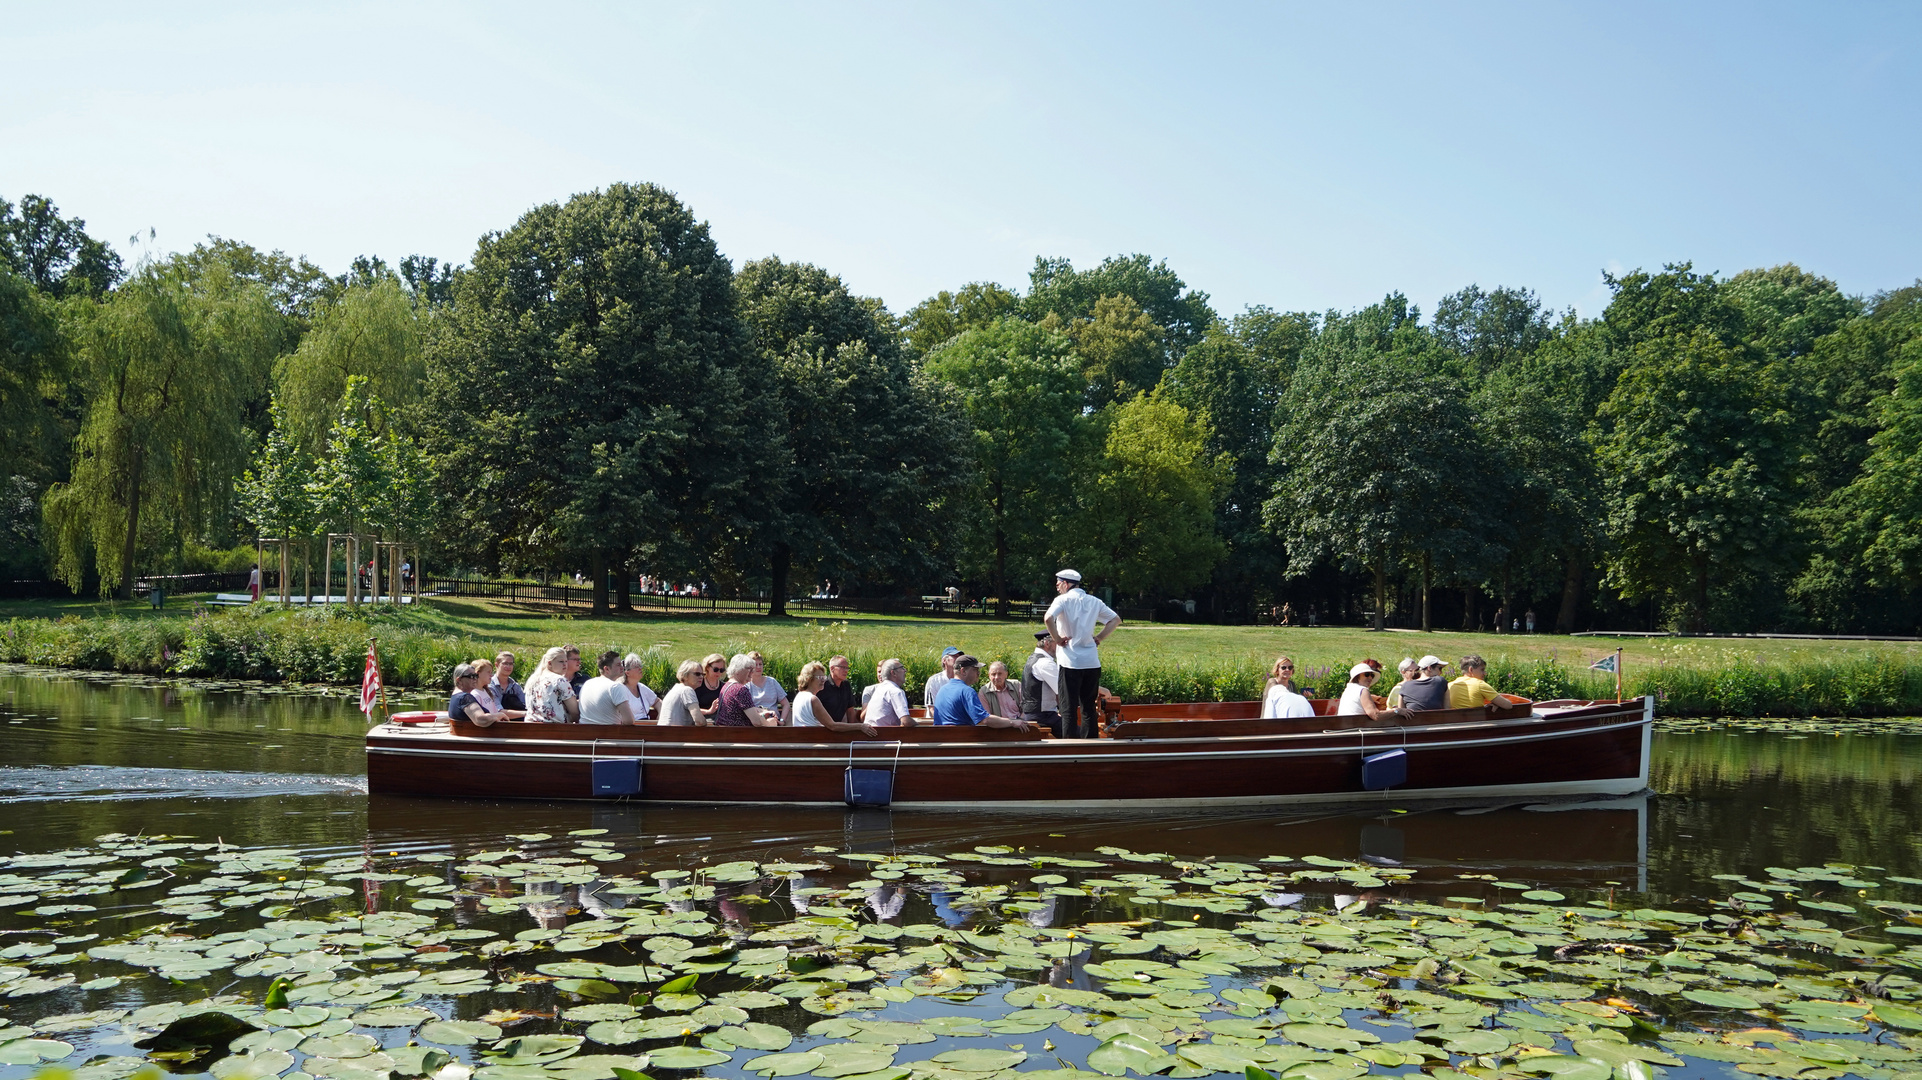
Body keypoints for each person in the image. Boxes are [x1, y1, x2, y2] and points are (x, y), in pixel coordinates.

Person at [1045, 569, 1120, 739]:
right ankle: (1090, 745)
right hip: (1091, 662)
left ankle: (1069, 747)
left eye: (1058, 583)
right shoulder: (1094, 601)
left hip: (1070, 661)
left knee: (1068, 707)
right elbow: (1115, 620)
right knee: (1088, 707)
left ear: (1066, 583)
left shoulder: (1062, 600)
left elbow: (1048, 618)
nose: (1057, 587)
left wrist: (1057, 639)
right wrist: (1099, 637)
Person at [930, 655, 1031, 730]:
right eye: (975, 670)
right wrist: (1012, 722)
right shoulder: (967, 691)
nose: (978, 673)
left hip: (944, 740)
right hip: (961, 742)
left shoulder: (943, 689)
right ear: (963, 671)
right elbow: (985, 720)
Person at [792, 662, 879, 734]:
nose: (823, 680)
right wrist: (860, 726)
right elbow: (833, 726)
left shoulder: (799, 696)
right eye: (819, 677)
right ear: (808, 679)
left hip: (803, 740)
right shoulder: (812, 699)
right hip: (813, 743)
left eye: (824, 677)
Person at [713, 654, 781, 728]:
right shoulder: (740, 689)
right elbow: (757, 722)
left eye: (753, 670)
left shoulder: (727, 685)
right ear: (738, 670)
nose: (752, 673)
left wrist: (763, 711)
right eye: (750, 669)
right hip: (740, 735)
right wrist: (771, 724)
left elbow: (747, 708)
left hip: (728, 734)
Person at [523, 646, 581, 724]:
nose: (565, 665)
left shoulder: (532, 679)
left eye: (566, 661)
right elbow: (575, 712)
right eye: (561, 661)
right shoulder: (559, 680)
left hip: (530, 728)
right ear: (549, 663)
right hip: (554, 730)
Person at [1020, 631, 1062, 736]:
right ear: (1047, 643)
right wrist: (1097, 689)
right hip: (1044, 718)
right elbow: (1064, 690)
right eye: (1058, 643)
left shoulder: (1033, 659)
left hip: (1037, 716)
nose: (1061, 646)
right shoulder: (1045, 663)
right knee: (1082, 735)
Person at [579, 651, 637, 725]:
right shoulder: (615, 687)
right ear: (606, 669)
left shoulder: (587, 684)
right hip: (607, 735)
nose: (622, 668)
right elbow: (629, 720)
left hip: (584, 734)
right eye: (618, 665)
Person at [865, 658, 918, 728]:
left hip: (871, 735)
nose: (905, 670)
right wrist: (920, 726)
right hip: (885, 736)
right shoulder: (895, 691)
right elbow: (906, 721)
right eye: (902, 668)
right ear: (893, 673)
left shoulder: (879, 689)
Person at [658, 659, 708, 726]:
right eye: (697, 674)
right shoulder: (687, 690)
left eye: (703, 674)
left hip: (666, 733)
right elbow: (699, 721)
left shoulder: (675, 689)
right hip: (676, 734)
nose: (701, 677)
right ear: (685, 675)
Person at [748, 651, 789, 723]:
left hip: (774, 721)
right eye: (755, 665)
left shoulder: (772, 682)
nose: (758, 667)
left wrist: (782, 720)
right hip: (757, 722)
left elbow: (786, 704)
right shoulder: (746, 685)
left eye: (760, 664)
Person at [817, 655, 858, 724]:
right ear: (832, 668)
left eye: (847, 668)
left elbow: (850, 710)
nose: (846, 671)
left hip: (838, 727)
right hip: (821, 728)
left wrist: (852, 731)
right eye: (843, 667)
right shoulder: (822, 685)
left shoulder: (846, 685)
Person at [621, 653, 660, 721]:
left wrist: (660, 714)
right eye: (636, 667)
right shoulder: (621, 689)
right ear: (627, 673)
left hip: (646, 725)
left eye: (640, 666)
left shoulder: (641, 687)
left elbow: (657, 701)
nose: (640, 669)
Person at [923, 647, 961, 713]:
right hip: (936, 721)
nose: (958, 659)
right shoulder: (934, 680)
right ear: (944, 660)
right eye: (954, 656)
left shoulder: (962, 681)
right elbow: (932, 709)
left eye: (959, 657)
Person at [695, 653, 727, 719]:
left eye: (721, 670)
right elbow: (691, 709)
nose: (718, 672)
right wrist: (709, 711)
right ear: (707, 667)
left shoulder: (724, 686)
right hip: (700, 722)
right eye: (715, 669)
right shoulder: (698, 684)